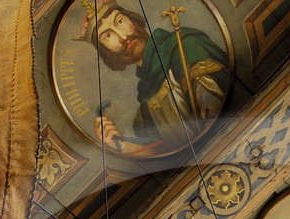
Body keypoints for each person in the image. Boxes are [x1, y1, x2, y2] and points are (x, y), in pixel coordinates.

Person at [82, 2, 229, 157]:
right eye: (108, 36)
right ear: (107, 53)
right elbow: (171, 156)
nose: (123, 37)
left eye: (119, 21)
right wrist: (120, 145)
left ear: (133, 19)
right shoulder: (144, 112)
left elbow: (218, 119)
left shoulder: (186, 47)